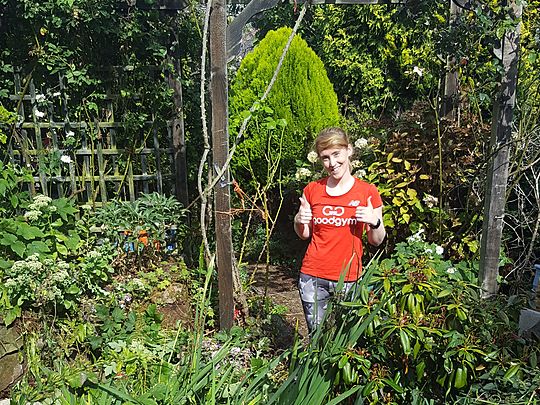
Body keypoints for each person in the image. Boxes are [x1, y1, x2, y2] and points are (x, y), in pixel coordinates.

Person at [294, 127, 386, 334]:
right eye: (325, 158)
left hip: (349, 278)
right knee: (317, 337)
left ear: (349, 150)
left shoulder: (367, 192)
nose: (332, 163)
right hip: (312, 276)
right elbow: (304, 234)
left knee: (346, 338)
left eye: (336, 154)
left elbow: (377, 241)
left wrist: (374, 222)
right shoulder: (312, 189)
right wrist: (299, 220)